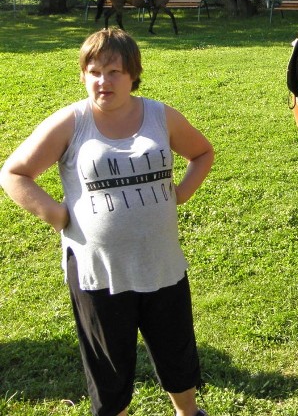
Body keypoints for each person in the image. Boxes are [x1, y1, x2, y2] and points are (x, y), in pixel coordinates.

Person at [0, 28, 214, 416]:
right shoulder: (72, 121)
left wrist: (181, 193)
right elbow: (13, 173)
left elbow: (202, 153)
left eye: (114, 71)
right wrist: (56, 215)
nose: (104, 81)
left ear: (133, 74)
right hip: (98, 272)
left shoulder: (159, 115)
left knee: (176, 349)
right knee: (108, 366)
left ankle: (188, 412)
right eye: (94, 71)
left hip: (161, 263)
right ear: (83, 75)